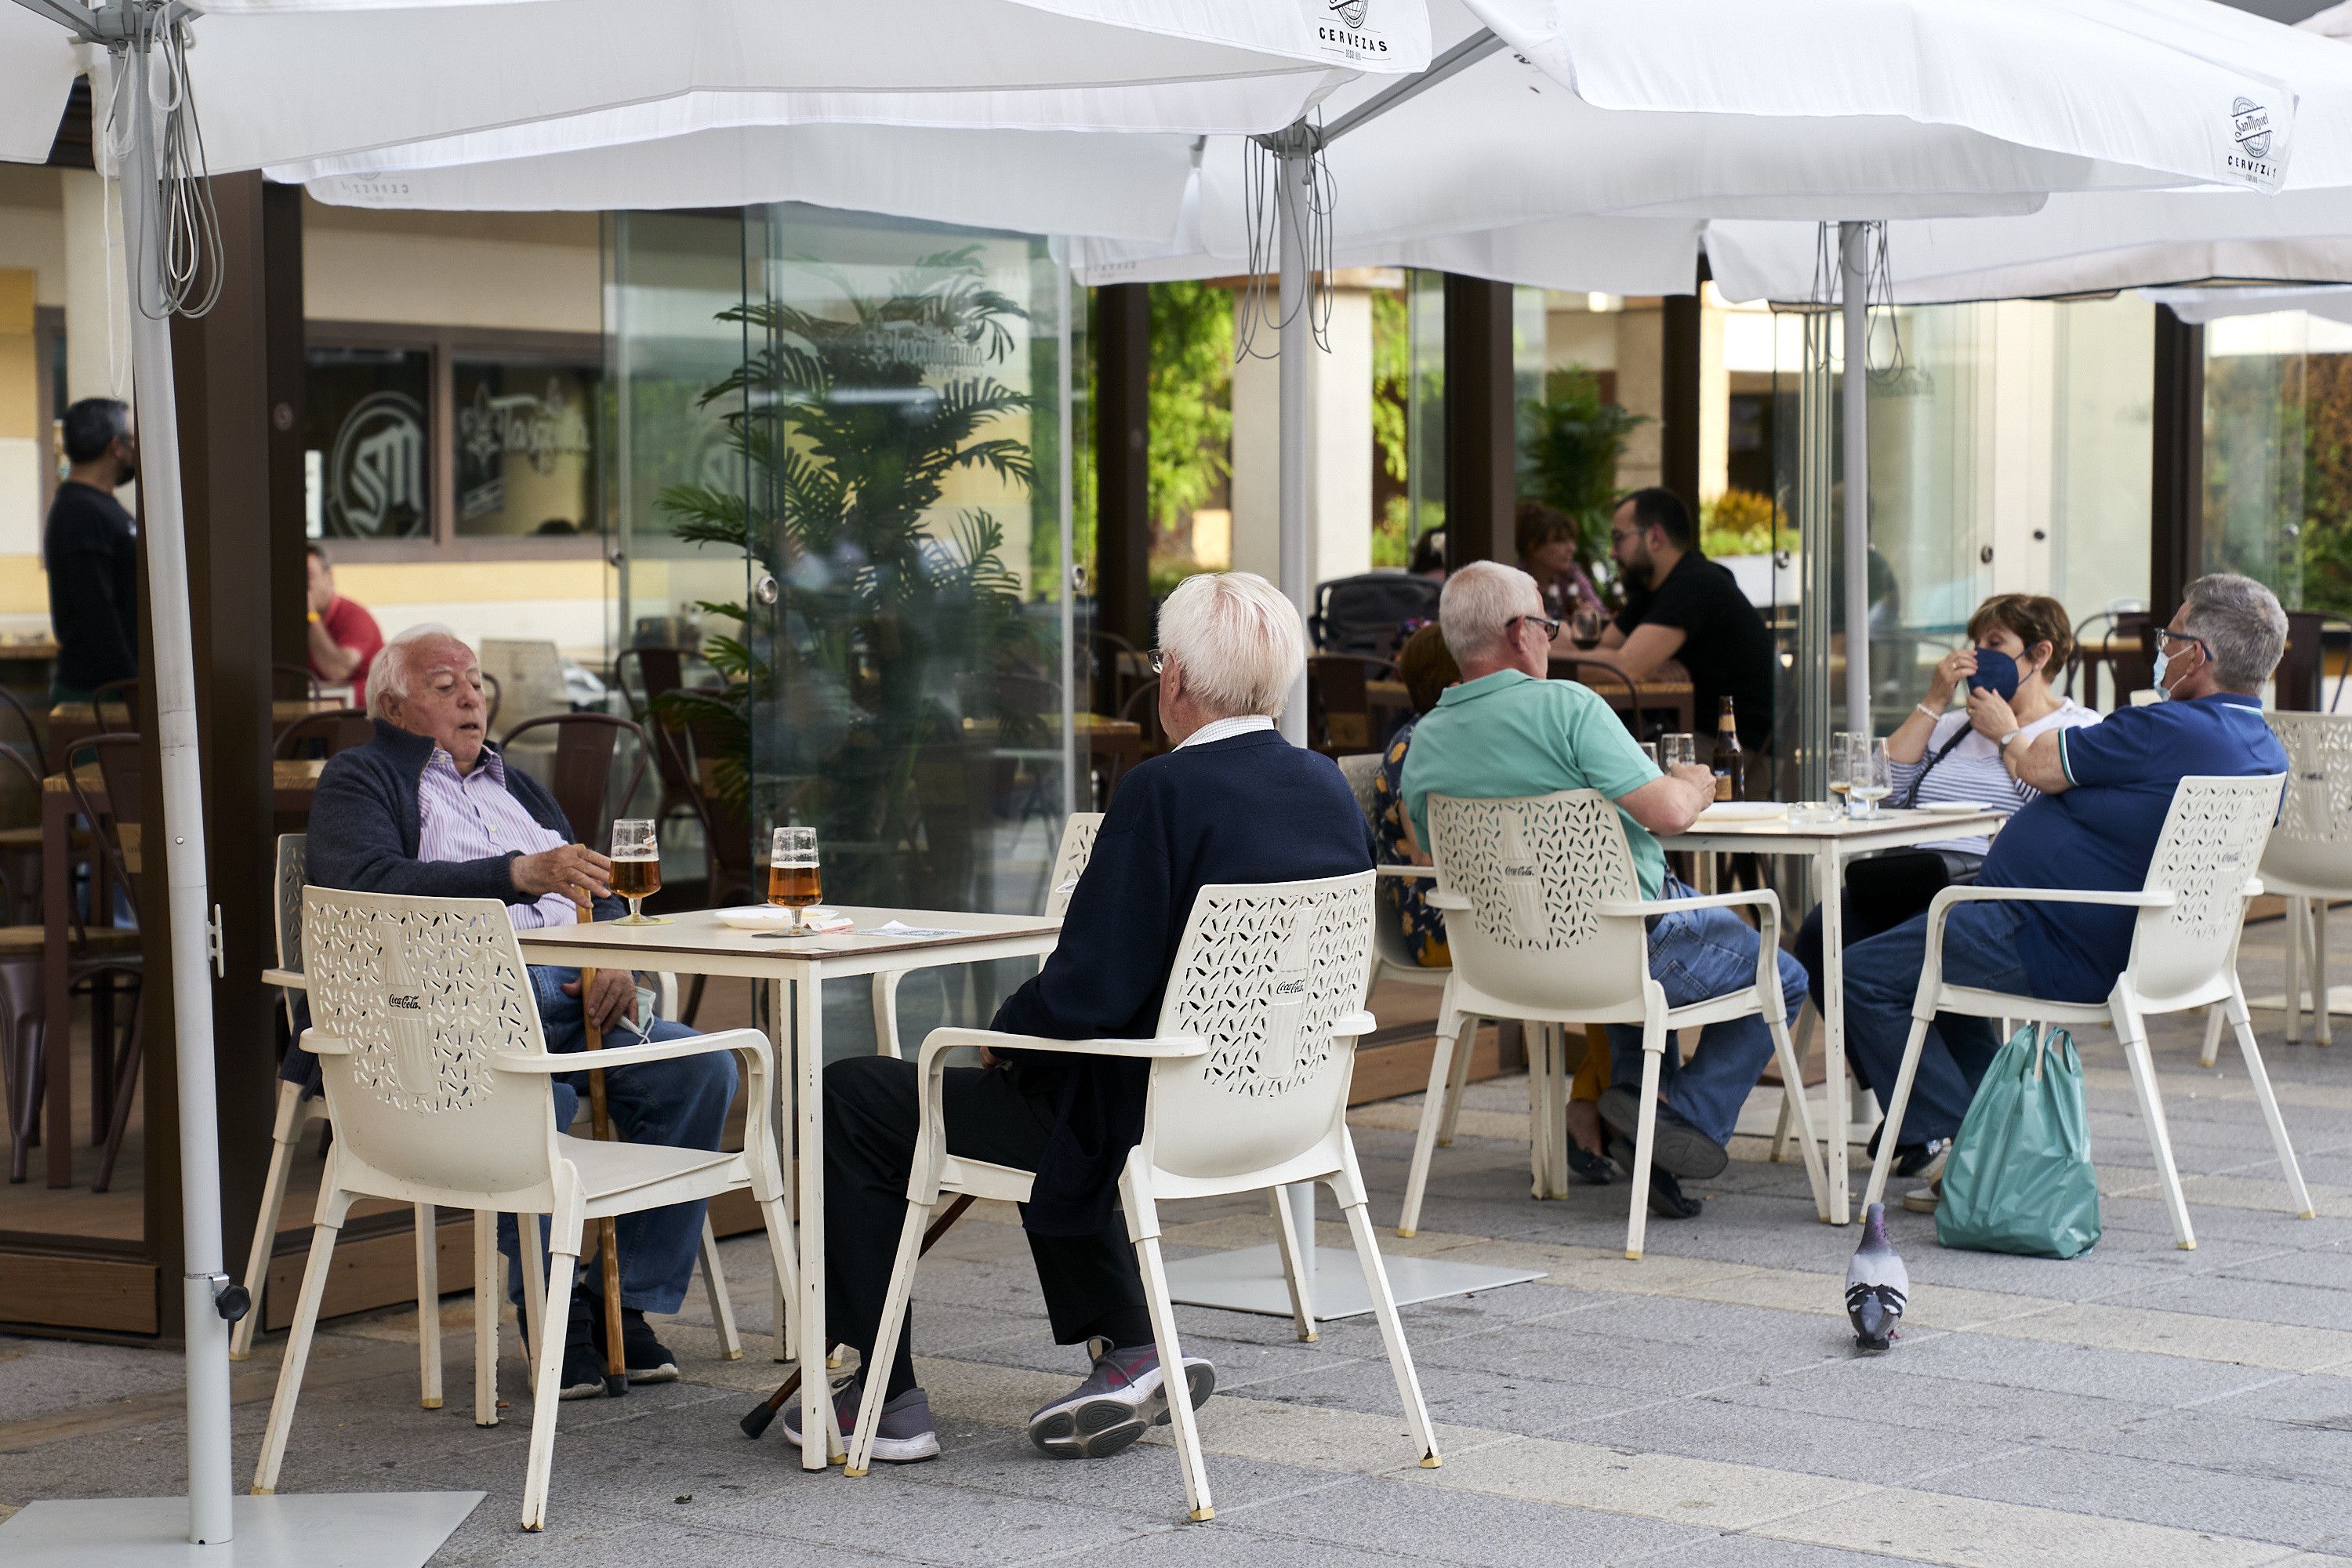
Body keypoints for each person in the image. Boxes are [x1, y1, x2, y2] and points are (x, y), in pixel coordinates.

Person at [811, 572, 1374, 1465]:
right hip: (1285, 1107)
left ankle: (883, 1397)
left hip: (1153, 1114)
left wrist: (1002, 1028)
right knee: (1070, 1077)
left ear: (1177, 678)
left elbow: (1088, 992)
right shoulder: (1326, 788)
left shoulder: (1164, 791)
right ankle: (1132, 1345)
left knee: (862, 1094)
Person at [307, 624, 735, 1399]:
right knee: (544, 1095)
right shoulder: (360, 777)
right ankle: (553, 1311)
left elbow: (594, 887)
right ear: (393, 704)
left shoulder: (517, 785)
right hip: (448, 1013)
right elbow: (369, 887)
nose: (470, 694)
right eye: (445, 684)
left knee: (699, 1069)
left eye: (474, 680)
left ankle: (619, 1302)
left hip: (571, 999)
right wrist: (516, 873)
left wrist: (610, 951)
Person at [1839, 574, 2291, 1211]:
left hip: (2052, 936)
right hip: (2158, 952)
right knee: (1936, 970)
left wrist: (2019, 747)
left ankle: (1971, 1148)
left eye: (2171, 635)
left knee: (1858, 972)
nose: (2161, 646)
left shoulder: (2158, 729)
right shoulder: (2267, 752)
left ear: (2199, 656)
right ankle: (1982, 1145)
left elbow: (2035, 764)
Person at [1402, 561, 1807, 1219]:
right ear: (1516, 632)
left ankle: (1635, 1110)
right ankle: (1684, 1117)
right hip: (1626, 951)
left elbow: (1430, 858)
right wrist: (1697, 783)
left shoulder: (1427, 742)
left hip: (1503, 967)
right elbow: (1671, 814)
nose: (1550, 636)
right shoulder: (1568, 707)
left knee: (1622, 951)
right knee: (1783, 976)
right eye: (1545, 622)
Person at [1793, 594, 2102, 1149]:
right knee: (1824, 931)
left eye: (1995, 646)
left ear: (2040, 653)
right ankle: (1922, 1113)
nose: (1976, 657)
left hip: (1992, 891)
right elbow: (1880, 789)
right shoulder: (1954, 724)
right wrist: (1936, 700)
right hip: (1916, 880)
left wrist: (2009, 733)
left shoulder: (2077, 728)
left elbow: (2055, 797)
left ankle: (1932, 1130)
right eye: (1975, 643)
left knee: (1892, 966)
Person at [1597, 487, 1776, 752]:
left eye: (1618, 538)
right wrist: (1646, 664)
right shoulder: (1653, 587)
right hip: (1688, 732)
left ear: (1655, 538)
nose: (1612, 552)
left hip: (1730, 750)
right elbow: (1603, 648)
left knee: (1602, 764)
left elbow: (1624, 669)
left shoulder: (1693, 583)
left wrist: (1556, 653)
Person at [1370, 624, 1461, 967]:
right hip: (1438, 922)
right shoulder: (1418, 747)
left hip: (1471, 910)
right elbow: (1426, 856)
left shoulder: (1440, 738)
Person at [44, 397, 140, 703]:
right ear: (116, 446)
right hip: (97, 693)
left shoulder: (98, 506)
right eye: (135, 438)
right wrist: (132, 685)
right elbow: (97, 610)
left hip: (113, 687)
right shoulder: (81, 512)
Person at [305, 543, 384, 704]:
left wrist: (311, 616)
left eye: (308, 577)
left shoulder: (356, 617)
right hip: (315, 714)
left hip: (358, 720)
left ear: (329, 578)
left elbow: (337, 670)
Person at [1515, 499, 1602, 622]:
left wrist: (1590, 613)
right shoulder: (1515, 582)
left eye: (1572, 541)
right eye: (1561, 541)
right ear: (1533, 546)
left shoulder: (1572, 574)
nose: (1572, 548)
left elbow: (1600, 612)